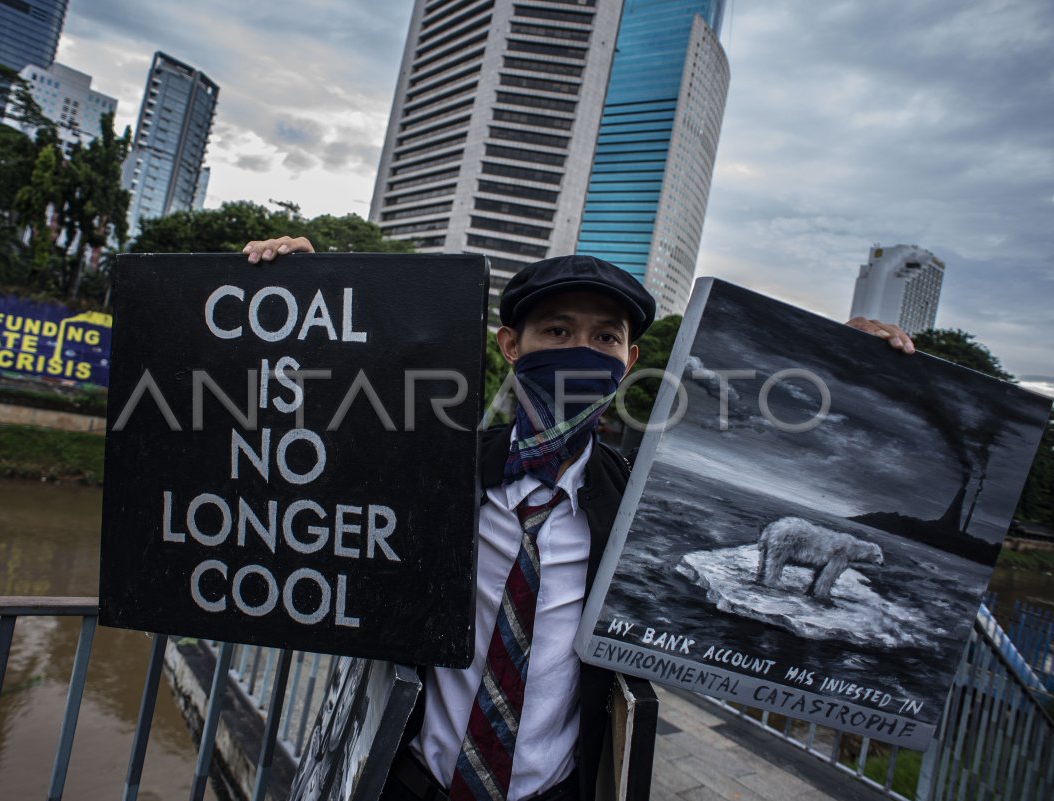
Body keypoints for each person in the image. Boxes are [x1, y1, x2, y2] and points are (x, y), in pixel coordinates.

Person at [242, 235, 915, 801]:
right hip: (413, 779)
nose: (580, 349)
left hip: (557, 789)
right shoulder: (437, 469)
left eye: (604, 337)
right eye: (557, 330)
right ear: (511, 344)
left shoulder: (637, 502)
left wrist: (843, 359)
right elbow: (324, 438)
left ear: (630, 363)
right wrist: (311, 282)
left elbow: (775, 446)